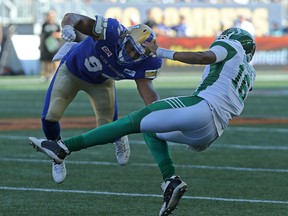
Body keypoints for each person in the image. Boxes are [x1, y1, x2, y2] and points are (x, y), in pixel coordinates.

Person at [29, 27, 256, 216]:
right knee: (151, 130)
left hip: (201, 107)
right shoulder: (249, 73)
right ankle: (171, 180)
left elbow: (203, 57)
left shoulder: (231, 46)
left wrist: (162, 52)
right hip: (212, 132)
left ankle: (64, 147)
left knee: (134, 120)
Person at [37, 12, 162, 184]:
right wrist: (67, 27)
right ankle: (57, 156)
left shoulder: (146, 63)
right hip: (71, 71)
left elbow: (148, 93)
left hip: (101, 83)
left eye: (135, 53)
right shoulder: (110, 31)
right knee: (51, 115)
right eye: (130, 47)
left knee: (106, 131)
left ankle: (119, 136)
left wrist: (162, 114)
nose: (130, 53)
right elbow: (74, 17)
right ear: (124, 37)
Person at [39, 10, 62, 83]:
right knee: (46, 61)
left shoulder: (57, 25)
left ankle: (54, 75)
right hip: (46, 46)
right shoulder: (44, 25)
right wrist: (40, 44)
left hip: (54, 46)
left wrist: (56, 34)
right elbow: (42, 36)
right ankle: (45, 75)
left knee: (55, 61)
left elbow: (61, 35)